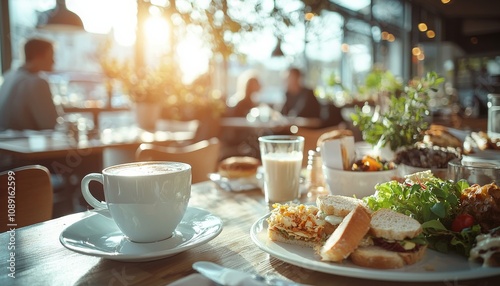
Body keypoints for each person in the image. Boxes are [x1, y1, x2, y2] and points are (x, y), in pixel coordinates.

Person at [0, 38, 60, 131]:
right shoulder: (36, 82)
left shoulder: (9, 76)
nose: (54, 61)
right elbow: (50, 124)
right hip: (21, 142)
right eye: (51, 55)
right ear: (39, 56)